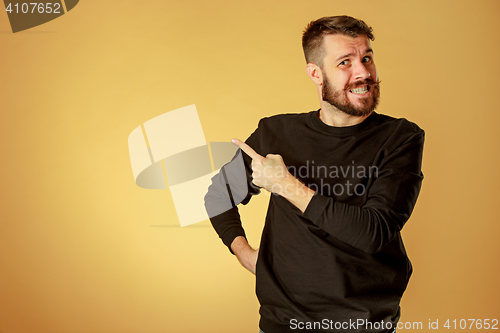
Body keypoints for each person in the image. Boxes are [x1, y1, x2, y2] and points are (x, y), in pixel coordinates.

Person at [205, 15, 424, 333]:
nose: (363, 72)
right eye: (345, 63)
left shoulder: (400, 137)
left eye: (366, 58)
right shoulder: (276, 133)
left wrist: (285, 185)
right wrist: (243, 251)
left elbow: (373, 232)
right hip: (283, 321)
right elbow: (218, 195)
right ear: (316, 74)